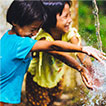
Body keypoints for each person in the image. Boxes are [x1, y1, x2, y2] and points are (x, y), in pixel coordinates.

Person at [0, 0, 105, 106]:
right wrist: (82, 49)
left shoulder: (9, 36)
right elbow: (53, 46)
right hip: (6, 96)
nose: (35, 33)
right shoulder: (21, 43)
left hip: (7, 94)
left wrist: (82, 68)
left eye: (37, 29)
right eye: (33, 29)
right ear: (15, 22)